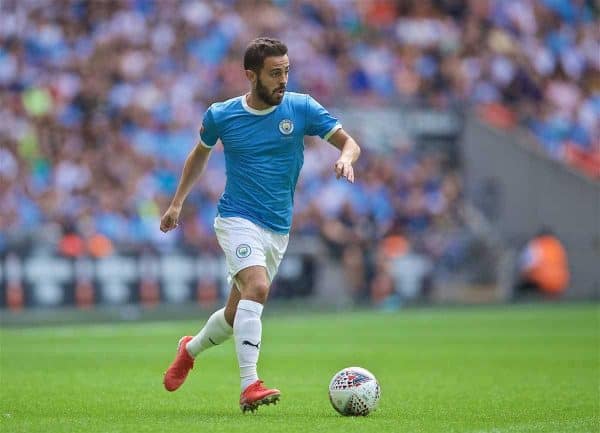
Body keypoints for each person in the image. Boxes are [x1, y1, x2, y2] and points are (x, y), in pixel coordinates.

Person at [159, 37, 361, 413]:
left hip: (277, 229)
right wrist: (176, 203)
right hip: (236, 218)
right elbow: (198, 156)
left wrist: (346, 159)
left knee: (236, 316)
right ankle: (250, 384)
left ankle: (189, 350)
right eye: (274, 73)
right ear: (251, 75)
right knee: (258, 286)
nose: (282, 79)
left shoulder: (301, 107)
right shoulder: (221, 115)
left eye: (286, 71)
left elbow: (350, 143)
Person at [515, 228, 570, 298]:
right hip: (560, 281)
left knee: (520, 288)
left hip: (541, 281)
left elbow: (527, 264)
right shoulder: (557, 245)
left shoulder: (536, 245)